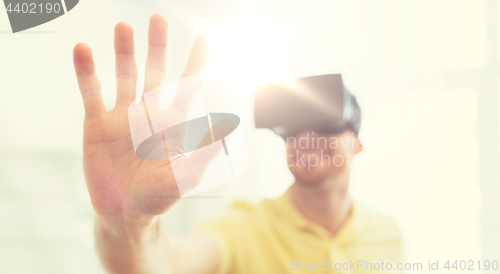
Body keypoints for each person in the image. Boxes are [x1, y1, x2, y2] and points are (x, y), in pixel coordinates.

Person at [73, 13, 402, 274]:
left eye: (326, 125)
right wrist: (127, 221)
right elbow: (164, 266)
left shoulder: (388, 238)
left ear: (357, 144)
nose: (306, 138)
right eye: (293, 128)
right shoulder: (244, 228)